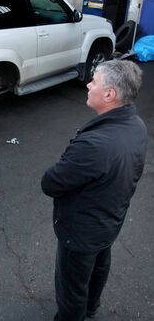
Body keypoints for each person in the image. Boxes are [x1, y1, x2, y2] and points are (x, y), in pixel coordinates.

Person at [41, 60, 148, 321]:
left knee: (72, 286)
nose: (88, 85)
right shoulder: (136, 125)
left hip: (81, 230)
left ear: (109, 94)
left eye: (94, 81)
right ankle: (91, 308)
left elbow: (51, 182)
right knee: (99, 264)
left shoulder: (96, 145)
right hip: (110, 219)